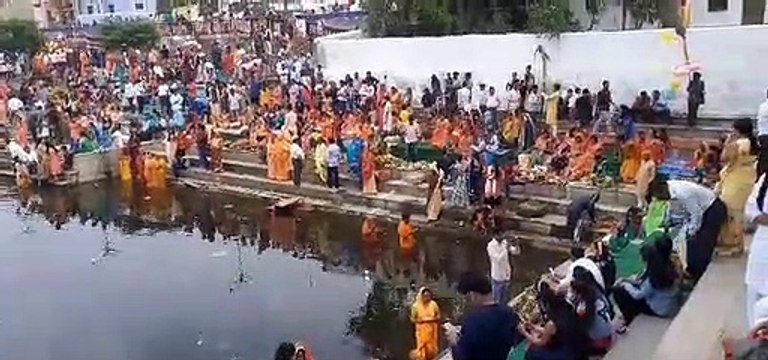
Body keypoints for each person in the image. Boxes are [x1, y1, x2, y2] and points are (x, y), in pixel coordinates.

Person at [648, 177, 727, 281]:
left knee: (702, 244)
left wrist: (690, 232)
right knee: (690, 243)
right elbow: (680, 212)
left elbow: (696, 214)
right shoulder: (671, 189)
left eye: (659, 197)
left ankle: (698, 274)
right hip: (703, 210)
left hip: (712, 210)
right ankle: (691, 270)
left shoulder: (683, 193)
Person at [449, 271, 525, 360]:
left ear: (472, 294)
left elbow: (462, 357)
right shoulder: (509, 313)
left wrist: (453, 342)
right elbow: (520, 338)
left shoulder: (471, 322)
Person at [612, 238, 680, 331]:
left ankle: (629, 318)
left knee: (618, 291)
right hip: (668, 304)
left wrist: (625, 285)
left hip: (659, 309)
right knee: (631, 287)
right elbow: (642, 283)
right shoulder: (668, 266)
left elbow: (638, 295)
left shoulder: (655, 276)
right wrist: (626, 280)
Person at [717, 118, 757, 255]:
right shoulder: (753, 142)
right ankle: (736, 243)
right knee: (737, 212)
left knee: (730, 212)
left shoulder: (739, 143)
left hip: (735, 180)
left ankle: (733, 245)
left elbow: (724, 158)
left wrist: (728, 141)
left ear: (737, 129)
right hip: (746, 179)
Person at [522, 282, 589, 360]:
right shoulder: (567, 306)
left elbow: (540, 342)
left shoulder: (551, 323)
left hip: (570, 353)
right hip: (580, 344)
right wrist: (534, 327)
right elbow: (553, 331)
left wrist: (525, 333)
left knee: (530, 353)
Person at [743, 173, 768, 327]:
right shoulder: (765, 179)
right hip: (763, 241)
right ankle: (756, 341)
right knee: (755, 290)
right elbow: (751, 209)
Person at [570, 266, 613, 355]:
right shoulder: (597, 290)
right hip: (608, 330)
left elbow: (582, 325)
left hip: (599, 340)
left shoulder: (586, 303)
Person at [411, 287, 441, 360]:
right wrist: (421, 320)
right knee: (422, 351)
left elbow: (438, 316)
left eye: (428, 296)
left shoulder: (433, 304)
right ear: (421, 296)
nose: (427, 298)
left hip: (432, 330)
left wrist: (432, 319)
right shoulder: (415, 306)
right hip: (421, 331)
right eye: (425, 296)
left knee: (432, 350)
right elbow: (412, 319)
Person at [487, 230, 514, 305]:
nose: (502, 237)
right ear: (495, 236)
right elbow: (497, 259)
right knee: (497, 300)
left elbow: (515, 251)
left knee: (506, 300)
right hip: (497, 277)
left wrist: (516, 245)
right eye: (500, 235)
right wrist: (506, 249)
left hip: (506, 275)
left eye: (502, 234)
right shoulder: (491, 246)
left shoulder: (504, 243)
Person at [757, 89, 768, 179]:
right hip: (766, 136)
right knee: (765, 158)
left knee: (764, 157)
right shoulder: (766, 106)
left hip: (763, 135)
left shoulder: (763, 106)